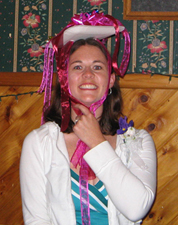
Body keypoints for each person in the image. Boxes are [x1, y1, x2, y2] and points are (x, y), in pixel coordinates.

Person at [20, 11, 157, 225]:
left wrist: (96, 141)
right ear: (65, 79)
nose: (87, 74)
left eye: (97, 67)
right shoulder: (39, 143)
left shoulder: (137, 142)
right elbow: (36, 220)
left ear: (110, 80)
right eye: (77, 67)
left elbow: (136, 209)